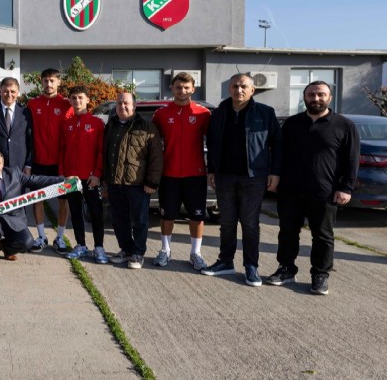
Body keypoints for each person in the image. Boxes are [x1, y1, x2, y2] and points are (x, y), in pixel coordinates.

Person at [266, 81, 359, 295]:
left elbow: (352, 160)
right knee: (288, 232)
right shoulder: (292, 123)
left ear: (329, 97)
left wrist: (346, 187)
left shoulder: (344, 125)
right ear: (304, 97)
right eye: (311, 95)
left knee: (323, 235)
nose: (315, 99)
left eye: (320, 94)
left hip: (325, 192)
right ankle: (286, 269)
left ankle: (320, 274)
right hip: (290, 190)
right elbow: (280, 153)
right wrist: (275, 175)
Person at [201, 73, 282, 287]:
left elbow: (277, 144)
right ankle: (225, 261)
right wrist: (212, 170)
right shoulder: (218, 114)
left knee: (249, 223)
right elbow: (213, 143)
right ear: (229, 89)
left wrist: (275, 172)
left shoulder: (265, 113)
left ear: (252, 90)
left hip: (254, 178)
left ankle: (251, 266)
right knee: (226, 222)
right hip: (224, 176)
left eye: (244, 86)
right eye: (235, 86)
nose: (239, 90)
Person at [150, 72, 211, 271]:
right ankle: (165, 250)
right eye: (178, 87)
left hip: (196, 174)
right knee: (167, 215)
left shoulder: (203, 114)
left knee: (197, 215)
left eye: (186, 87)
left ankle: (196, 253)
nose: (182, 91)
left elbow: (215, 142)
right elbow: (150, 143)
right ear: (171, 88)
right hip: (169, 174)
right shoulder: (161, 113)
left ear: (193, 89)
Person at [103, 92, 163, 269]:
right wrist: (105, 179)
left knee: (139, 221)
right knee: (119, 220)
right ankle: (126, 250)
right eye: (120, 103)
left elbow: (156, 158)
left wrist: (152, 182)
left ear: (134, 106)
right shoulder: (111, 125)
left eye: (127, 103)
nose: (123, 106)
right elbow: (105, 153)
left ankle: (137, 253)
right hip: (115, 183)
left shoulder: (147, 127)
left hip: (137, 184)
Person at [58, 86, 107, 263]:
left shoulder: (97, 123)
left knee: (96, 213)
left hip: (91, 178)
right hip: (72, 178)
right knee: (76, 213)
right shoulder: (66, 125)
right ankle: (81, 245)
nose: (77, 101)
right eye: (73, 98)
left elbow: (102, 151)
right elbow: (62, 151)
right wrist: (64, 174)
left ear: (87, 100)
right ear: (69, 101)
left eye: (80, 98)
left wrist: (97, 174)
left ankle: (99, 247)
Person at [27, 68, 71, 254]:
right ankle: (41, 236)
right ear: (41, 82)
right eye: (45, 80)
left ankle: (60, 237)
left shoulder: (66, 104)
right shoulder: (32, 103)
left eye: (52, 80)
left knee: (63, 200)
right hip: (38, 160)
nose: (48, 84)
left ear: (58, 82)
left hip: (60, 162)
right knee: (38, 199)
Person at [0, 77, 32, 173]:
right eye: (6, 91)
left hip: (19, 165)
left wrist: (28, 164)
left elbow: (30, 140)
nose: (9, 95)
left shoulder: (25, 112)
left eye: (13, 91)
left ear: (17, 92)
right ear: (0, 91)